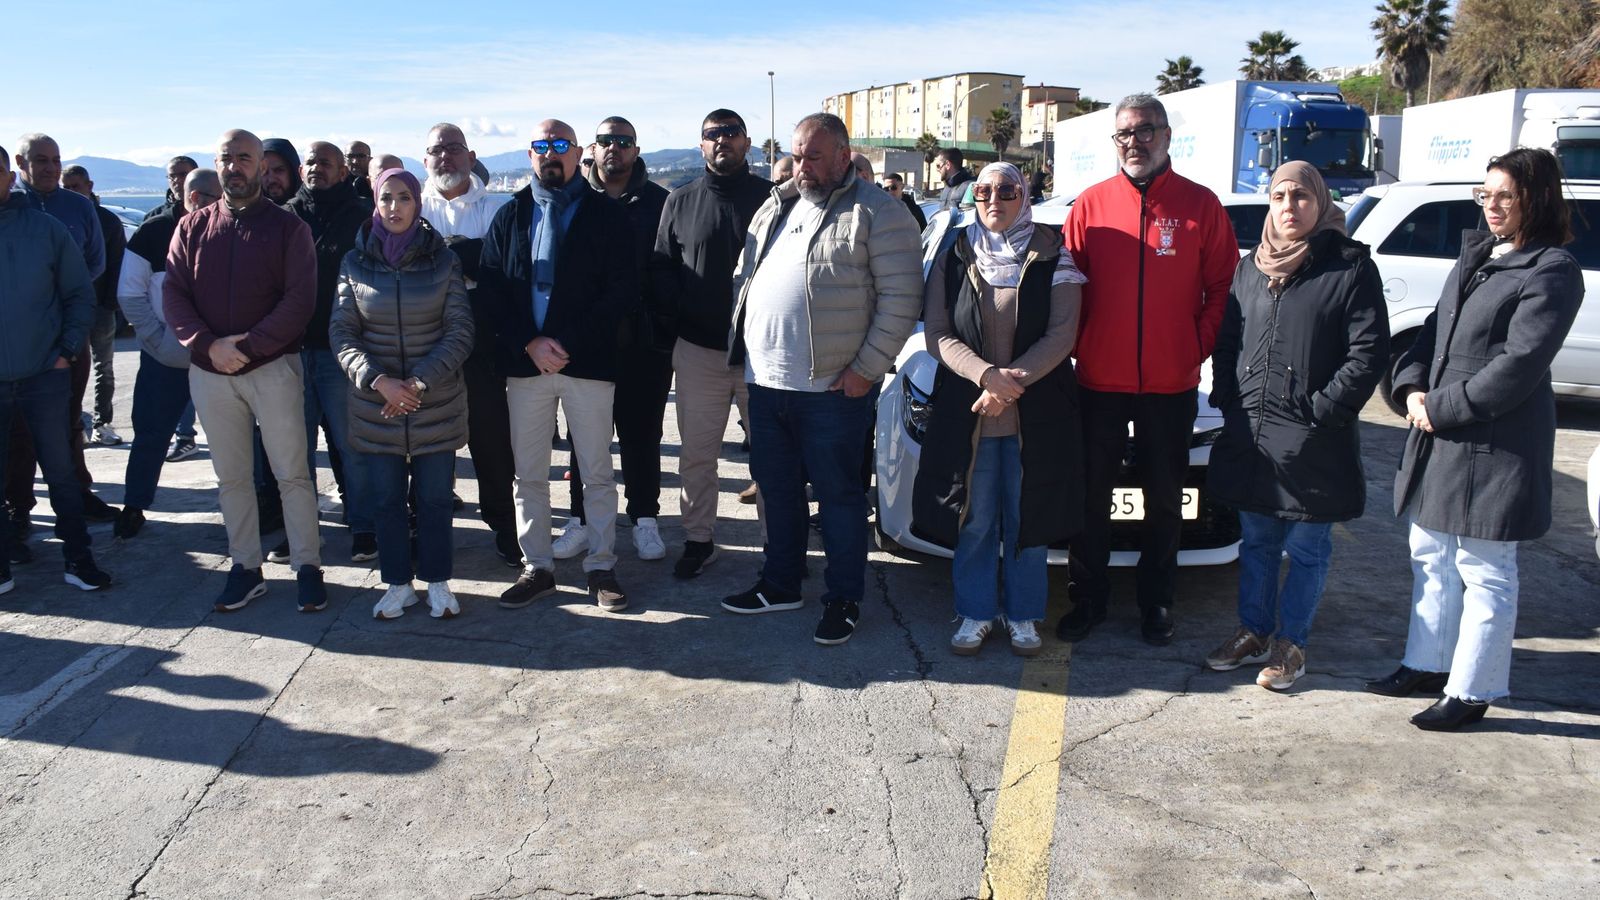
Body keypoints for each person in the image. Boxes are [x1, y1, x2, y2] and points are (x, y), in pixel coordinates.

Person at [1367, 148, 1584, 730]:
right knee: (1431, 554)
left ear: (1535, 199)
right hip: (1441, 431)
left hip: (1497, 443)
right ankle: (1427, 664)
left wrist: (1442, 408)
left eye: (1505, 196)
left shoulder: (1552, 270)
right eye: (1484, 195)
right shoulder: (1479, 254)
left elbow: (1520, 364)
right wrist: (1409, 387)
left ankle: (1473, 689)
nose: (1491, 206)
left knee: (1486, 566)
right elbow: (1431, 335)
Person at [723, 112, 921, 645]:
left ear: (842, 154)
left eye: (814, 156)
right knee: (779, 491)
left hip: (833, 389)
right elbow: (747, 276)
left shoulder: (880, 212)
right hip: (766, 384)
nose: (802, 167)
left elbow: (902, 301)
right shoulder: (778, 204)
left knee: (839, 498)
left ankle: (843, 598)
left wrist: (865, 371)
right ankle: (781, 583)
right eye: (797, 155)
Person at [1057, 93, 1237, 647]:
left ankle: (1157, 602)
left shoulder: (1200, 206)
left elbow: (1222, 289)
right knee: (1092, 497)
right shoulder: (1089, 205)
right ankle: (1088, 599)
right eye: (1124, 134)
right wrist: (1078, 346)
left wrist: (1195, 347)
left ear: (1166, 136)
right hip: (1099, 382)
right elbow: (1067, 291)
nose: (1134, 142)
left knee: (1165, 498)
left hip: (1171, 383)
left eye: (1145, 131)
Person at [1202, 162, 1389, 691]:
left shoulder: (1348, 267)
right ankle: (1254, 633)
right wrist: (1228, 396)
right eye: (1280, 194)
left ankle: (1292, 643)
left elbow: (1368, 351)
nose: (1289, 206)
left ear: (1321, 202)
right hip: (1254, 435)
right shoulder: (1250, 267)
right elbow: (1228, 339)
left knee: (1307, 548)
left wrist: (1324, 409)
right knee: (1257, 541)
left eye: (1302, 196)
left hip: (1312, 439)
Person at [913, 162, 1085, 657]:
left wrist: (1008, 386)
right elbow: (938, 333)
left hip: (1037, 417)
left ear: (1024, 196)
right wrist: (987, 378)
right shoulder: (955, 252)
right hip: (972, 414)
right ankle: (975, 611)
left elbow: (1061, 336)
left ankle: (1025, 615)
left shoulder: (1054, 254)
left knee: (1027, 518)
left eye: (1007, 190)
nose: (994, 199)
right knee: (976, 519)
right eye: (984, 190)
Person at [163, 128, 325, 613]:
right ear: (218, 164)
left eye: (245, 159)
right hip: (211, 373)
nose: (236, 167)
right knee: (231, 477)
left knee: (292, 473)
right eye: (227, 158)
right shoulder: (192, 228)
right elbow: (174, 293)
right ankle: (246, 566)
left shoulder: (288, 229)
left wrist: (249, 348)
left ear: (260, 165)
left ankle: (308, 566)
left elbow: (300, 301)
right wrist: (208, 346)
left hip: (273, 369)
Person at [479, 119, 635, 612]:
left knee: (596, 472)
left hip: (587, 363)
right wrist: (530, 342)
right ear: (530, 156)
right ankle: (538, 566)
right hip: (527, 368)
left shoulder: (607, 215)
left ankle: (601, 565)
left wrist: (562, 341)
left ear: (578, 154)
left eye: (560, 146)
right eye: (542, 146)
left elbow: (621, 292)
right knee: (529, 474)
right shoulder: (510, 215)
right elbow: (493, 290)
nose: (551, 154)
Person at [332, 167, 474, 619]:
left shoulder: (444, 261)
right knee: (386, 502)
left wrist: (416, 384)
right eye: (386, 198)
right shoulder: (354, 263)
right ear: (376, 202)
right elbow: (342, 331)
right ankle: (397, 583)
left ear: (418, 202)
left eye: (404, 198)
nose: (394, 207)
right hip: (377, 406)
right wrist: (379, 381)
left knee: (434, 500)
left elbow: (460, 330)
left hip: (434, 401)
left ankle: (437, 581)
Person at [650, 108, 774, 579]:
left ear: (747, 143)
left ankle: (776, 547)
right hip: (699, 351)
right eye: (711, 134)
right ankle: (699, 540)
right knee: (697, 455)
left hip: (763, 354)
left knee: (771, 457)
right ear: (701, 145)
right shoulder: (679, 201)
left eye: (730, 132)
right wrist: (682, 310)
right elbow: (661, 266)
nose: (721, 140)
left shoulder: (774, 200)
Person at [558, 116, 671, 563]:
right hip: (585, 341)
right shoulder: (571, 201)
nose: (614, 149)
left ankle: (644, 519)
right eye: (606, 141)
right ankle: (579, 521)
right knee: (584, 438)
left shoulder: (661, 203)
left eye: (623, 142)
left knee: (643, 435)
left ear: (636, 150)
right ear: (592, 147)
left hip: (644, 343)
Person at [0, 145, 112, 594]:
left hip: (44, 374)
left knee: (61, 470)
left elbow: (79, 294)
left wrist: (65, 352)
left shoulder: (45, 230)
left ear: (10, 178)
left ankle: (78, 558)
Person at [420, 122, 519, 566]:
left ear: (471, 155)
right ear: (425, 160)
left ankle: (505, 527)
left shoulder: (501, 207)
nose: (446, 156)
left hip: (485, 346)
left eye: (455, 148)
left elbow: (502, 267)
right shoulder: (404, 205)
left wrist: (443, 254)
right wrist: (468, 256)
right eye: (437, 150)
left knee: (492, 440)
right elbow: (405, 266)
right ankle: (427, 533)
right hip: (423, 344)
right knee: (426, 445)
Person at [114, 168, 223, 540]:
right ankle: (135, 505)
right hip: (165, 359)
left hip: (218, 358)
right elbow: (130, 293)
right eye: (209, 198)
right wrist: (158, 342)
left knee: (234, 437)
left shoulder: (230, 230)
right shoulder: (153, 231)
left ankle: (252, 505)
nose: (215, 205)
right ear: (191, 197)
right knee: (151, 434)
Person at [284, 141, 377, 563]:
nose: (316, 167)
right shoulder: (284, 217)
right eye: (310, 162)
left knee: (351, 445)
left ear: (343, 171)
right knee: (294, 450)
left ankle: (364, 527)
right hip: (288, 351)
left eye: (326, 162)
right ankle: (301, 531)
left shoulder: (362, 217)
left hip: (342, 352)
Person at [62, 164, 128, 447]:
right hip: (67, 308)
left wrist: (110, 303)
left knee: (104, 366)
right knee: (67, 367)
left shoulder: (108, 222)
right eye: (67, 187)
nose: (71, 192)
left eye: (76, 186)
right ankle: (74, 422)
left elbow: (116, 264)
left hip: (100, 306)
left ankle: (104, 422)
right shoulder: (57, 218)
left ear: (89, 186)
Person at [143, 156, 199, 222]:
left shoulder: (211, 212)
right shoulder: (153, 217)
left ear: (197, 175)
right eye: (172, 176)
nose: (177, 180)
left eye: (183, 174)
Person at [261, 138, 302, 206]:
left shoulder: (313, 212)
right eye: (264, 171)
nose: (271, 179)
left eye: (278, 170)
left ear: (292, 172)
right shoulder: (246, 214)